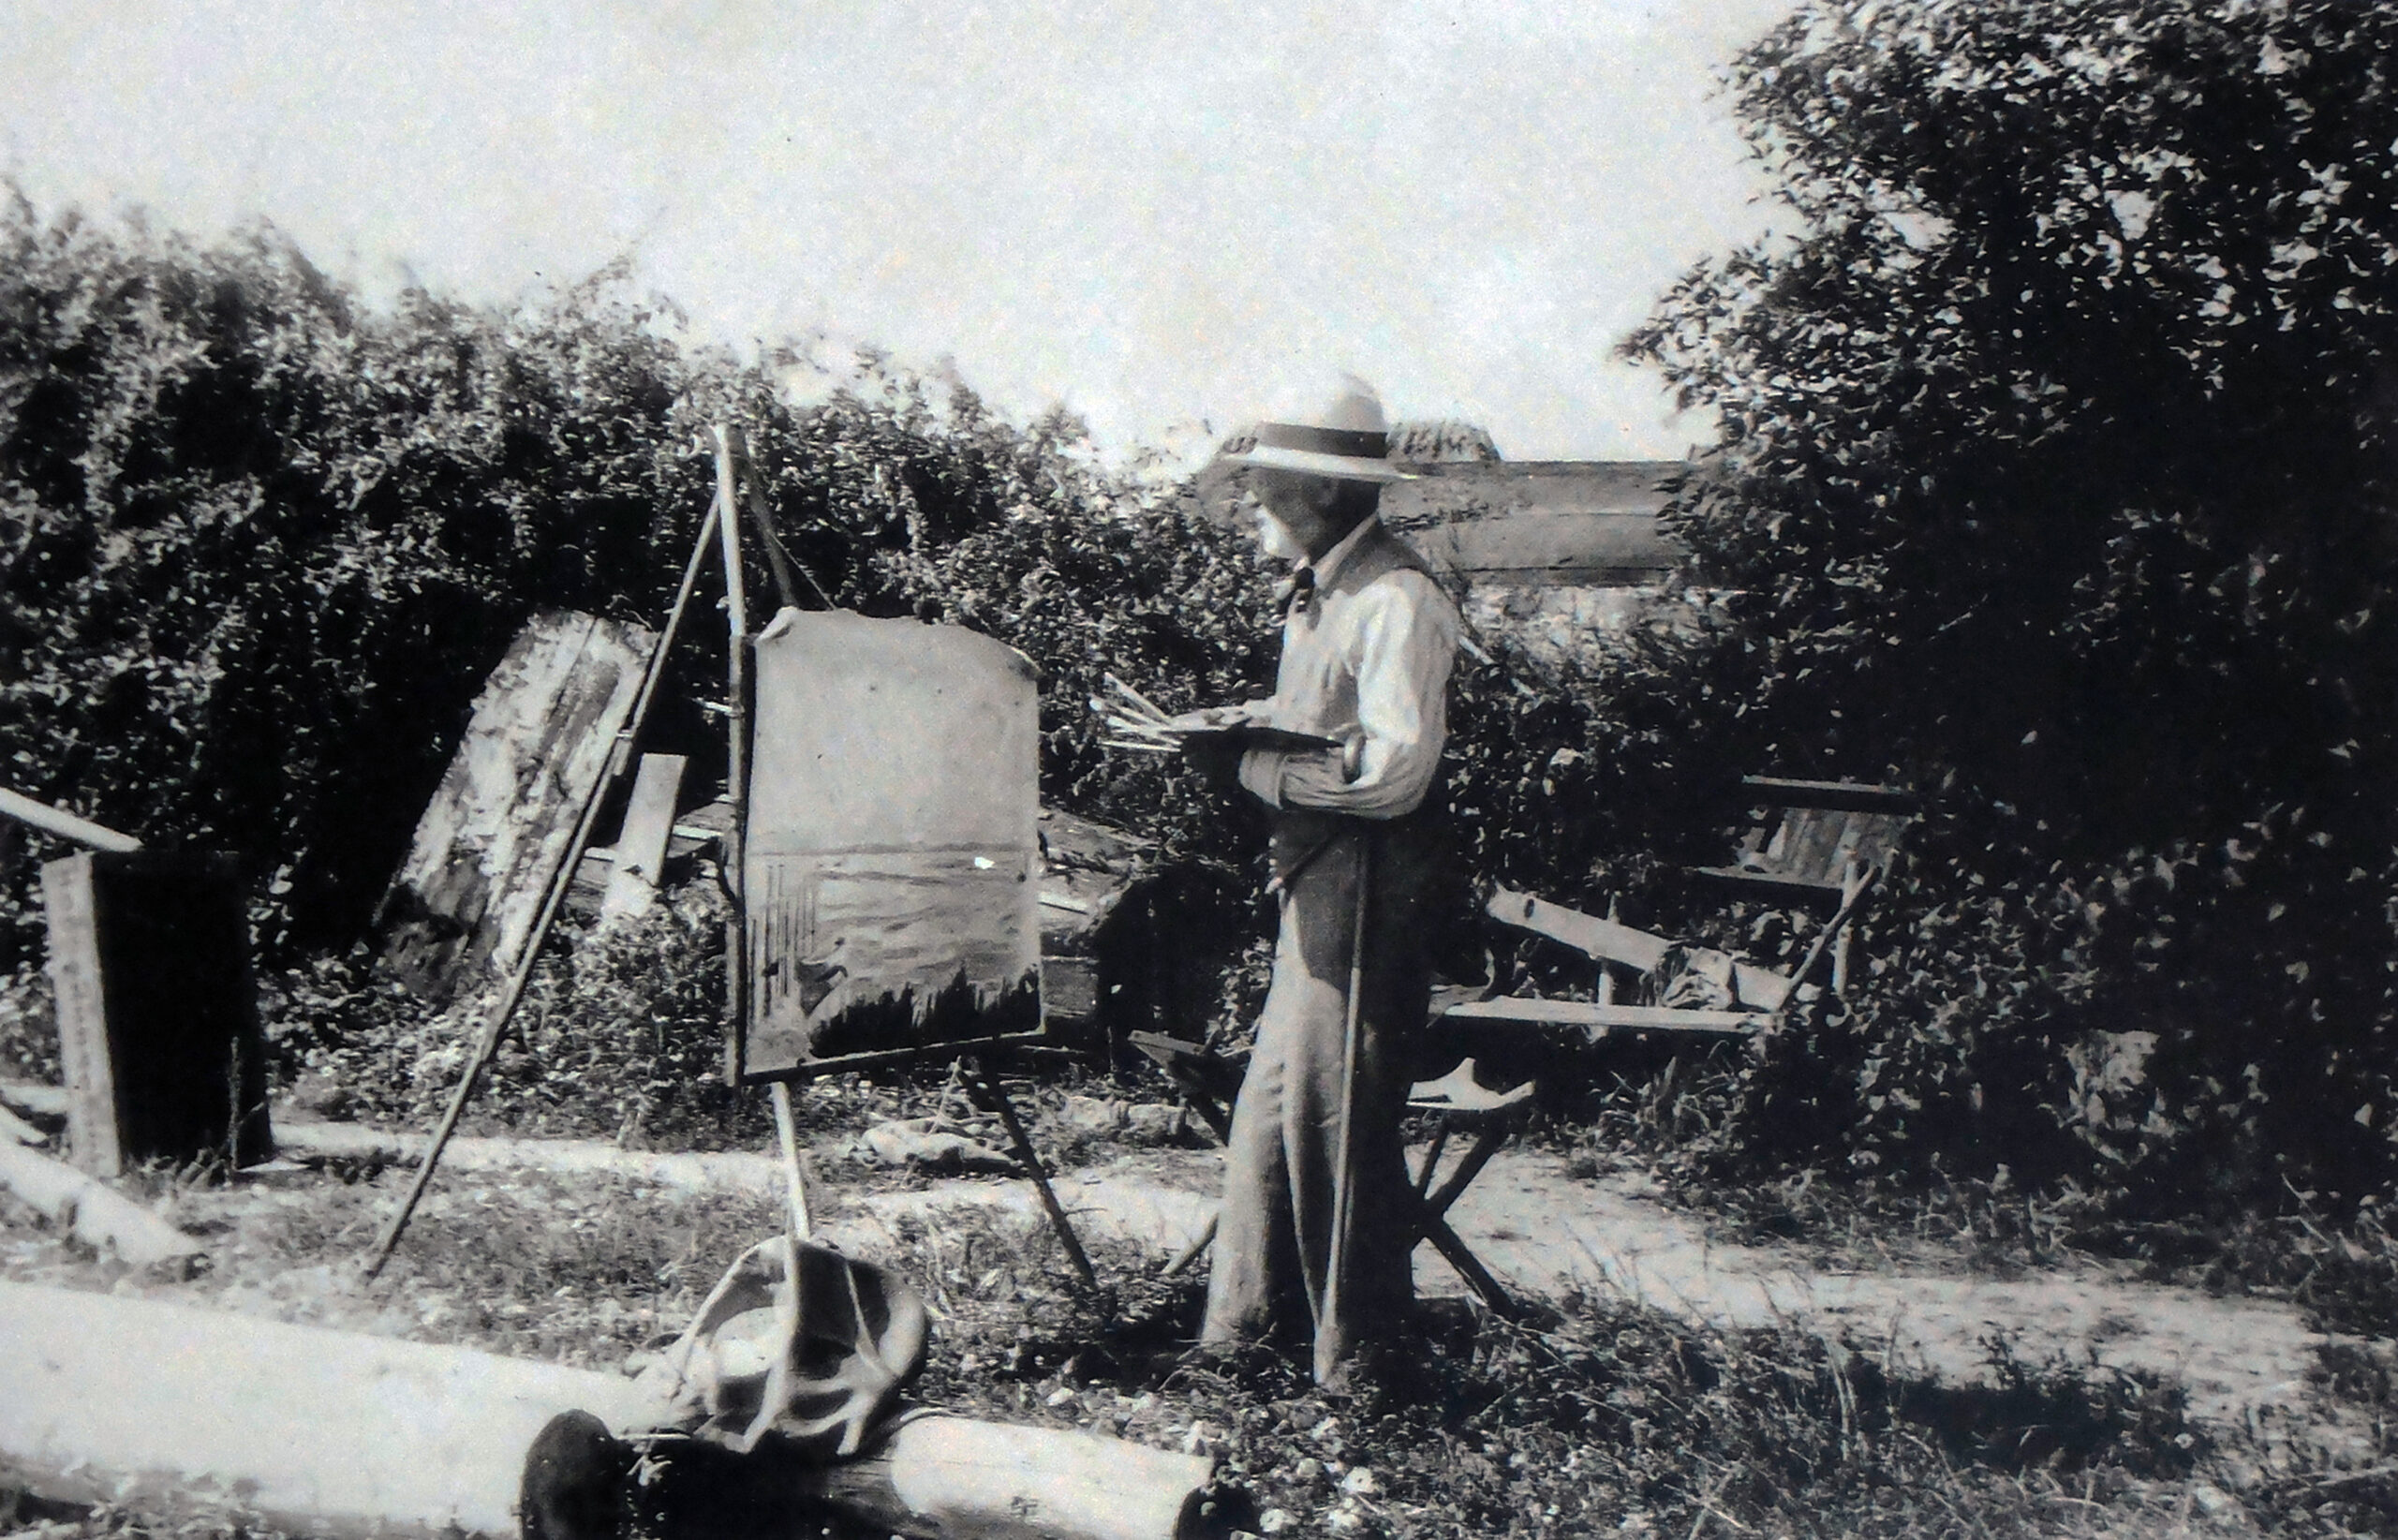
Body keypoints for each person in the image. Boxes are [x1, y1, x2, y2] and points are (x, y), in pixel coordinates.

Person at [1195, 373, 1463, 1385]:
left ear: (1316, 495)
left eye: (1263, 489)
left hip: (1372, 880)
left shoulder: (1396, 598)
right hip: (1315, 875)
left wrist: (1255, 768)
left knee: (1333, 1116)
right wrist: (1247, 741)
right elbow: (1327, 730)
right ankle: (1250, 1345)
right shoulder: (1324, 592)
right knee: (1276, 1108)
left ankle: (1365, 1371)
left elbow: (1395, 772)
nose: (1252, 505)